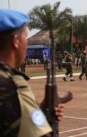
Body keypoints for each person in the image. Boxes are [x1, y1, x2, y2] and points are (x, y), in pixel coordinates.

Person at [0, 9, 63, 137]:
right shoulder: (13, 87)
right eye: (25, 36)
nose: (27, 43)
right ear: (15, 41)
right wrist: (51, 124)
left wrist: (38, 110)